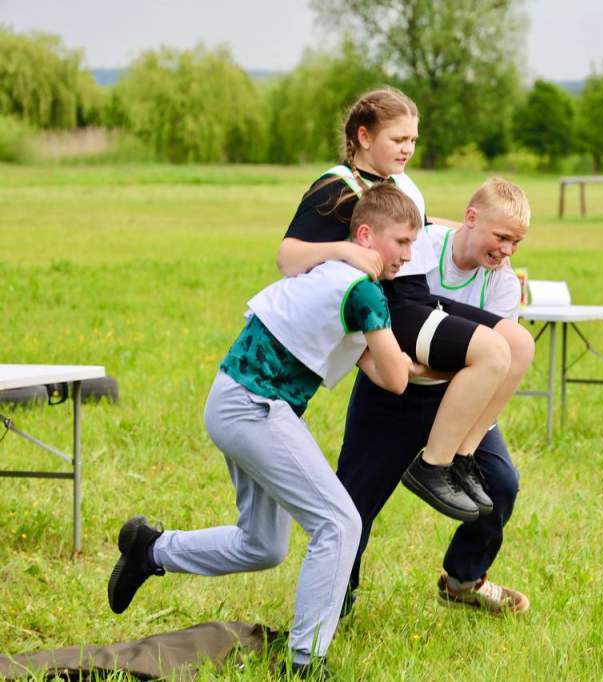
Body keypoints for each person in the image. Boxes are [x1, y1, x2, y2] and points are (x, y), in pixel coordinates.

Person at [106, 184, 424, 676]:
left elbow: (378, 369)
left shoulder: (334, 277)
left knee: (263, 545)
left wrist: (396, 360)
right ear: (365, 235)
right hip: (255, 406)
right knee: (339, 524)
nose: (408, 254)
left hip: (233, 401)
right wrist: (420, 360)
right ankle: (306, 662)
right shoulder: (363, 292)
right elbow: (398, 379)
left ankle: (149, 549)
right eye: (401, 242)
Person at [277, 87, 533, 522]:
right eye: (398, 140)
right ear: (363, 136)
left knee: (519, 344)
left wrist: (490, 233)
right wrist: (344, 253)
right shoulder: (335, 188)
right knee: (490, 352)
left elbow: (425, 225)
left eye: (413, 140)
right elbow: (288, 257)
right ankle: (432, 467)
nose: (408, 149)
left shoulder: (402, 185)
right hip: (393, 310)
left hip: (419, 298)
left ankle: (461, 457)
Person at [339, 178, 533, 616]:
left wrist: (459, 366)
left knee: (501, 484)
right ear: (470, 219)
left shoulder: (503, 285)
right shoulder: (422, 247)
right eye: (501, 237)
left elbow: (491, 367)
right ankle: (336, 596)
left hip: (460, 399)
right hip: (394, 388)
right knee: (355, 497)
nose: (506, 251)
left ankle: (463, 580)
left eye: (516, 242)